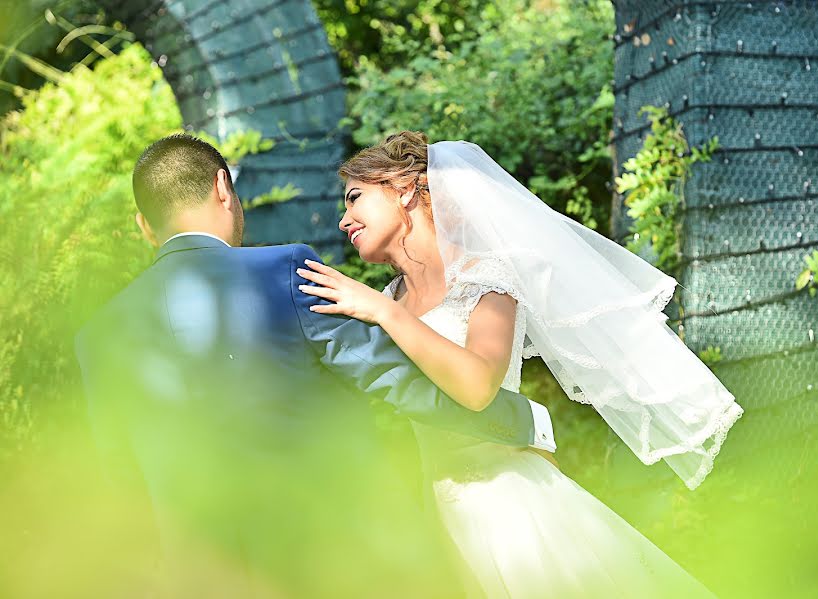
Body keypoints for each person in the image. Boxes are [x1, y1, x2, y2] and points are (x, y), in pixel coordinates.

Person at [74, 133, 557, 597]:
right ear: (223, 187)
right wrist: (522, 421)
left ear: (143, 225)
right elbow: (396, 380)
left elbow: (122, 481)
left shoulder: (96, 338)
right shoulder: (283, 271)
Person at [298, 130, 745, 598]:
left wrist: (382, 313)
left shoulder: (485, 280)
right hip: (433, 518)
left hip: (508, 509)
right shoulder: (390, 298)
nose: (343, 219)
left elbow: (476, 386)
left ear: (405, 188)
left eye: (355, 198)